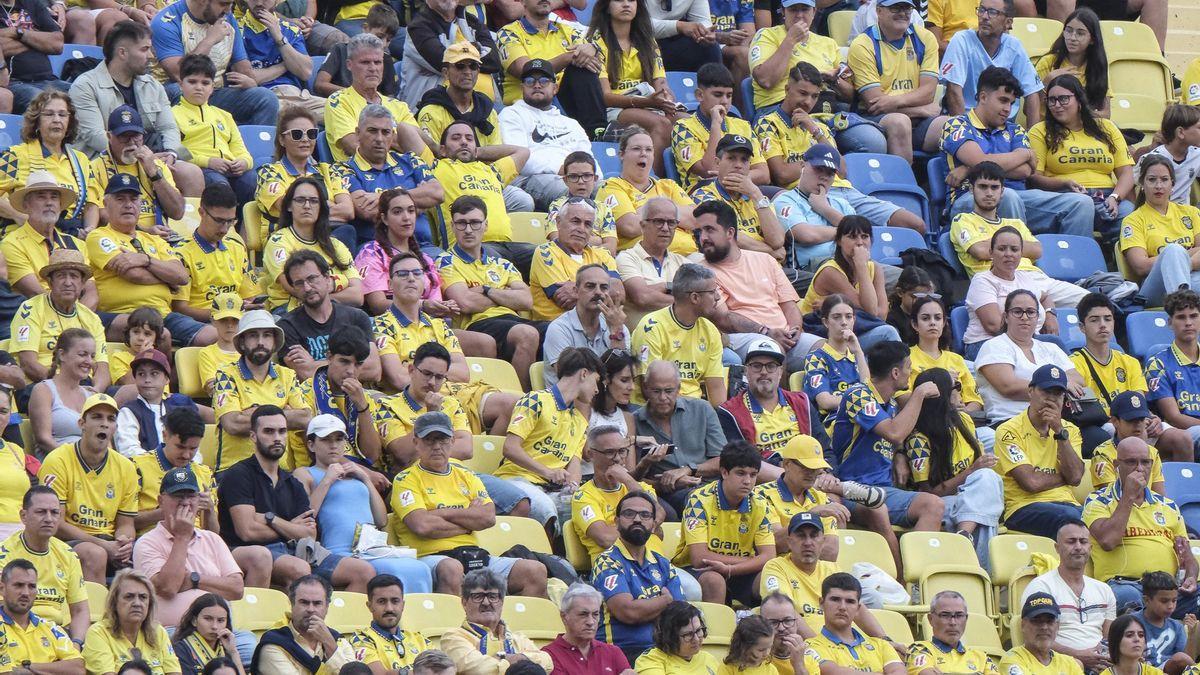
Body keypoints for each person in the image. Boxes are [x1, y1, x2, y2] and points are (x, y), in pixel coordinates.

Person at [218, 405, 377, 592]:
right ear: (253, 436)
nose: (277, 437)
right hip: (249, 550)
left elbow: (309, 533)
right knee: (298, 568)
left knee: (363, 572)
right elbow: (248, 531)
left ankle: (334, 621)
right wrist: (291, 527)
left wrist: (272, 519)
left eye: (282, 431)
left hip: (296, 549)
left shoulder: (291, 481)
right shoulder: (239, 474)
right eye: (269, 431)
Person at [389, 411, 549, 596]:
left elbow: (488, 518)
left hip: (473, 554)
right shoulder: (406, 479)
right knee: (452, 569)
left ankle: (510, 624)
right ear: (416, 442)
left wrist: (441, 513)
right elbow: (422, 525)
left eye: (443, 440)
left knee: (535, 571)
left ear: (453, 441)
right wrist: (468, 523)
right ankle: (454, 625)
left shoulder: (466, 476)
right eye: (429, 440)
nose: (437, 446)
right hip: (432, 557)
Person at [758, 67, 927, 234]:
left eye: (814, 96)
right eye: (803, 93)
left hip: (847, 192)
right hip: (813, 196)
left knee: (915, 224)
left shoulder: (818, 128)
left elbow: (842, 171)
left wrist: (815, 131)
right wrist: (819, 163)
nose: (808, 102)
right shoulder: (768, 124)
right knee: (859, 236)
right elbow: (781, 174)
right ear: (787, 89)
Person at [373, 251, 519, 439]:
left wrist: (426, 373)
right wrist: (440, 374)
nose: (411, 278)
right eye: (402, 274)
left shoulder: (439, 325)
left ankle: (482, 459)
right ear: (390, 284)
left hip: (458, 395)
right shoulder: (381, 325)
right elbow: (399, 378)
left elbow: (463, 372)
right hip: (413, 402)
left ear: (425, 282)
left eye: (417, 273)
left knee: (514, 405)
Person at [941, 67, 1093, 234]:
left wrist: (970, 169)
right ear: (983, 97)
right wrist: (1024, 154)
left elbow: (1025, 171)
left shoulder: (1016, 130)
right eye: (1003, 100)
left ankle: (1069, 258)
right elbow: (979, 160)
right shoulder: (957, 124)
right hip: (969, 199)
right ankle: (1018, 257)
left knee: (1081, 203)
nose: (1008, 109)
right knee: (1008, 196)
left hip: (1021, 199)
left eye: (1012, 103)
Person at [293, 414, 433, 592]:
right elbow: (305, 516)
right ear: (311, 445)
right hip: (337, 550)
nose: (334, 445)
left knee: (420, 569)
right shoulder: (305, 473)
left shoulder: (356, 476)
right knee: (396, 570)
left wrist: (365, 479)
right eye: (326, 440)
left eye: (338, 439)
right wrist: (327, 480)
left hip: (371, 548)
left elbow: (381, 520)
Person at [71, 21, 202, 196]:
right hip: (103, 161)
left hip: (148, 158)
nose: (151, 55)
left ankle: (187, 224)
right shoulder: (85, 86)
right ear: (123, 53)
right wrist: (139, 156)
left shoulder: (153, 85)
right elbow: (94, 135)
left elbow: (169, 127)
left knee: (191, 174)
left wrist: (171, 153)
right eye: (144, 49)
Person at [829, 341, 947, 534]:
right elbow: (894, 433)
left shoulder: (890, 401)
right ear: (895, 373)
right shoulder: (857, 396)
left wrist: (900, 453)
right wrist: (919, 393)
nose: (912, 371)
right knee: (879, 509)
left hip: (884, 489)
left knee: (934, 505)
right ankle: (898, 565)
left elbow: (899, 434)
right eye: (909, 367)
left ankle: (918, 563)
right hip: (852, 489)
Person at [437, 195, 545, 391]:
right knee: (527, 333)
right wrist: (505, 296)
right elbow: (466, 303)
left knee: (557, 330)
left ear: (486, 225)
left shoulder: (502, 263)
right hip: (477, 323)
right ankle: (523, 400)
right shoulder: (446, 262)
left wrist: (487, 290)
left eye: (475, 223)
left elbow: (526, 300)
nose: (468, 230)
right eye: (461, 223)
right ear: (452, 226)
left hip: (513, 321)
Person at [1084, 437, 1198, 617]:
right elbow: (1108, 541)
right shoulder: (1098, 501)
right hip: (1126, 586)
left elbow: (1187, 555)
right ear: (1116, 465)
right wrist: (1128, 496)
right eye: (1131, 462)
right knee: (1129, 600)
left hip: (1168, 590)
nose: (1139, 468)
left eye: (1145, 462)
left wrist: (1190, 576)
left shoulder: (1168, 505)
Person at [132, 465, 247, 639]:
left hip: (221, 632)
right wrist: (182, 537)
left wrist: (194, 579)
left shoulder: (212, 539)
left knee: (253, 646)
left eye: (191, 496)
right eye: (178, 496)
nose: (185, 502)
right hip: (173, 632)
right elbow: (168, 588)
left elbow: (237, 589)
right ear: (161, 501)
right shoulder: (146, 543)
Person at [904, 367, 1003, 560]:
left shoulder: (964, 419)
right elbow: (928, 495)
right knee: (984, 512)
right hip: (944, 502)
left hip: (971, 498)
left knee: (987, 482)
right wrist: (970, 471)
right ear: (943, 395)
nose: (961, 391)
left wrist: (977, 471)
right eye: (956, 386)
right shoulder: (918, 439)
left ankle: (964, 536)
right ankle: (979, 571)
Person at [497, 347, 602, 527]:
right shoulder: (535, 400)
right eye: (597, 381)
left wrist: (573, 486)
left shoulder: (580, 421)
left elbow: (574, 462)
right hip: (517, 480)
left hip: (553, 488)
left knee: (587, 511)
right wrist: (548, 472)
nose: (597, 390)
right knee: (546, 508)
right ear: (584, 374)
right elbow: (510, 448)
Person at [37, 393, 137, 581]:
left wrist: (124, 542)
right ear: (81, 423)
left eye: (111, 419)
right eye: (97, 417)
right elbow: (55, 524)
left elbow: (126, 523)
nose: (104, 423)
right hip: (65, 541)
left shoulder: (126, 467)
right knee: (95, 554)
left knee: (149, 550)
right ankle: (96, 611)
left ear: (115, 427)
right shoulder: (57, 460)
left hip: (108, 540)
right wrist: (102, 545)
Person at [88, 175, 197, 346]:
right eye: (120, 199)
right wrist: (167, 281)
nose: (128, 205)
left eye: (133, 199)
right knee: (159, 334)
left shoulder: (154, 239)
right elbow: (134, 274)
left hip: (162, 313)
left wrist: (145, 260)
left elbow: (182, 277)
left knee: (211, 336)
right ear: (106, 204)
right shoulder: (98, 236)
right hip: (123, 313)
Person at [1028, 74, 1134, 240]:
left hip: (1106, 197)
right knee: (1081, 206)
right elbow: (1035, 178)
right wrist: (1063, 183)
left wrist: (1115, 198)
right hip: (1066, 196)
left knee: (1128, 213)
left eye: (1063, 99)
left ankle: (1131, 264)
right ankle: (1079, 262)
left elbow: (1126, 173)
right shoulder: (1040, 131)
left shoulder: (1106, 128)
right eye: (1051, 100)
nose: (1057, 105)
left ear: (1079, 100)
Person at [759, 512, 890, 638]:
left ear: (823, 541)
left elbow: (858, 610)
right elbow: (784, 611)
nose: (808, 542)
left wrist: (886, 641)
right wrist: (818, 648)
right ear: (789, 542)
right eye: (801, 536)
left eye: (814, 536)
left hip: (839, 645)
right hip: (802, 647)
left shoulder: (832, 569)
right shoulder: (776, 567)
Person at [591, 490, 686, 664]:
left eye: (645, 515)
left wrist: (646, 607)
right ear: (617, 522)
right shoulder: (607, 561)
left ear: (653, 524)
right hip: (620, 656)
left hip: (663, 653)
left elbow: (679, 615)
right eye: (629, 514)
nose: (637, 519)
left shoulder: (663, 564)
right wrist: (664, 601)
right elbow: (628, 612)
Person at [150, 0, 280, 126]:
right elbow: (179, 75)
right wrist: (209, 40)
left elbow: (244, 69)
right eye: (223, 4)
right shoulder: (167, 21)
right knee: (179, 90)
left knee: (266, 98)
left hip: (215, 91)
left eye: (231, 4)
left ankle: (252, 146)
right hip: (177, 93)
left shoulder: (227, 18)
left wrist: (251, 83)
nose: (229, 10)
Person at [993, 364, 1087, 538]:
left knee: (1100, 518)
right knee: (1072, 519)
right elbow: (1031, 483)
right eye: (1046, 391)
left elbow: (1075, 477)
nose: (1051, 399)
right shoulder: (1009, 430)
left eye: (1058, 393)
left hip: (1068, 504)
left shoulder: (1069, 430)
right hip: (1023, 507)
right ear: (1030, 391)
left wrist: (1059, 432)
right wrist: (1064, 477)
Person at [846, 0, 946, 163]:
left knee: (952, 126)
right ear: (879, 11)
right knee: (899, 122)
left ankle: (959, 186)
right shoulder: (863, 45)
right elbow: (875, 105)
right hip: (874, 120)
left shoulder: (925, 38)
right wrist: (921, 110)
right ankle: (905, 186)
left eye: (907, 8)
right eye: (895, 8)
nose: (903, 13)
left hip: (916, 120)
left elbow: (928, 93)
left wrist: (894, 102)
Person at [678, 440, 775, 605]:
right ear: (724, 472)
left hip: (739, 571)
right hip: (698, 570)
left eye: (753, 475)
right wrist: (750, 561)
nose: (747, 481)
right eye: (740, 473)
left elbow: (769, 556)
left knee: (772, 580)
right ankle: (716, 630)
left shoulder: (760, 504)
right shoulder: (699, 500)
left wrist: (731, 569)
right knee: (714, 580)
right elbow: (699, 558)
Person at [211, 311, 310, 473]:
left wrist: (251, 413)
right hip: (235, 470)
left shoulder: (287, 375)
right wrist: (283, 413)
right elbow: (233, 424)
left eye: (267, 335)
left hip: (279, 470)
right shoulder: (226, 375)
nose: (260, 342)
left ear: (274, 341)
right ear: (242, 342)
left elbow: (305, 418)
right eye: (253, 335)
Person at [585, 0, 683, 162]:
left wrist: (665, 98)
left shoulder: (648, 41)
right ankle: (652, 178)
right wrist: (646, 101)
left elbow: (661, 82)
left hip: (647, 101)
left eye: (631, 0)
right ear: (606, 7)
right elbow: (606, 97)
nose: (626, 4)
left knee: (686, 122)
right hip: (615, 108)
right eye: (619, 0)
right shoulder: (595, 43)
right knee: (662, 124)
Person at [431, 120, 535, 268]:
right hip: (472, 247)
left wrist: (475, 151)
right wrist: (439, 150)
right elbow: (406, 130)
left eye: (469, 138)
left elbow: (523, 152)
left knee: (545, 257)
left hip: (508, 245)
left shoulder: (492, 171)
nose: (463, 141)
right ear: (443, 149)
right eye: (456, 138)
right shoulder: (436, 168)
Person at [340, 105, 443, 252]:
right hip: (379, 250)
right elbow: (367, 210)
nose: (379, 139)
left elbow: (437, 193)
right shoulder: (343, 169)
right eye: (372, 131)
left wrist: (381, 197)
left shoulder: (411, 159)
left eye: (386, 132)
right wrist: (416, 204)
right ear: (357, 133)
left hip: (424, 248)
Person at [495, 0, 606, 136]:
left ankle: (598, 133)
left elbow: (593, 62)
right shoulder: (508, 33)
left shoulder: (569, 31)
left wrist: (591, 49)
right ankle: (595, 132)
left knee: (583, 69)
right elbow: (525, 70)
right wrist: (568, 57)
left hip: (567, 102)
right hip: (531, 103)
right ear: (522, 2)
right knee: (576, 67)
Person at [497, 55, 595, 210]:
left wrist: (590, 176)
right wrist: (563, 169)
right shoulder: (511, 115)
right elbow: (519, 161)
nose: (537, 85)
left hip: (573, 176)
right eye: (530, 81)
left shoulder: (571, 123)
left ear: (555, 88)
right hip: (531, 178)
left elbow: (588, 158)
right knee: (570, 191)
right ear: (522, 87)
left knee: (606, 190)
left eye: (544, 81)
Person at [798, 216, 903, 355]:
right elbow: (872, 311)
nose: (860, 243)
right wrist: (861, 266)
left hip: (853, 332)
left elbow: (881, 316)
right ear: (839, 241)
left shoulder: (875, 268)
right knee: (887, 333)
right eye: (852, 237)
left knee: (883, 338)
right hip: (822, 335)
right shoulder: (830, 271)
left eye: (865, 236)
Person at [633, 360, 727, 515]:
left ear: (679, 388)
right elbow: (633, 477)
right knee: (697, 502)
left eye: (669, 391)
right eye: (656, 391)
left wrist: (689, 469)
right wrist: (667, 483)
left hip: (710, 484)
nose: (663, 397)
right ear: (645, 389)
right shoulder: (635, 421)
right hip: (669, 493)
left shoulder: (701, 409)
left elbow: (724, 460)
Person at [1021, 520, 1116, 672]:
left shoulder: (1104, 589)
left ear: (1090, 548)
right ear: (1057, 548)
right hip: (1056, 666)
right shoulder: (1041, 587)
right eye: (1071, 541)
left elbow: (1109, 638)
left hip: (1101, 666)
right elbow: (1034, 636)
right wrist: (1078, 656)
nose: (1078, 547)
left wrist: (1102, 657)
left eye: (1083, 542)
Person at [975, 289, 1083, 421]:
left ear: (1037, 318)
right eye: (1017, 311)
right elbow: (1009, 387)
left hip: (1056, 420)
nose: (1024, 317)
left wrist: (1056, 385)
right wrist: (1060, 386)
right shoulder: (994, 346)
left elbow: (1077, 380)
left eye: (1031, 312)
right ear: (1006, 317)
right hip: (1011, 422)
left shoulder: (1051, 348)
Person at [0, 91, 100, 235]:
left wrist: (90, 229)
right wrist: (20, 216)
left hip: (71, 238)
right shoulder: (15, 156)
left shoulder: (81, 160)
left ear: (69, 121)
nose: (56, 120)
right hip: (24, 236)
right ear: (36, 121)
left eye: (62, 114)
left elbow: (91, 204)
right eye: (49, 114)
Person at [0, 486, 89, 643]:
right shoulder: (4, 554)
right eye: (41, 512)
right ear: (23, 516)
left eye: (54, 513)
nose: (49, 518)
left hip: (57, 634)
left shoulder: (68, 554)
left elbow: (80, 610)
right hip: (16, 632)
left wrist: (76, 643)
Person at [10, 248, 108, 389]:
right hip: (41, 385)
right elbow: (28, 364)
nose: (68, 282)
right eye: (61, 276)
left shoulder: (91, 318)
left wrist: (95, 392)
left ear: (82, 283)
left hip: (84, 387)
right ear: (50, 282)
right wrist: (67, 388)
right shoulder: (30, 309)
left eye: (74, 276)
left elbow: (102, 369)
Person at [264, 179, 364, 314]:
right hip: (290, 311)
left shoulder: (336, 245)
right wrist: (338, 281)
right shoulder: (279, 242)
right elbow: (295, 288)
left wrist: (324, 299)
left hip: (334, 311)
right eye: (300, 200)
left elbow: (357, 296)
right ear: (289, 206)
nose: (307, 205)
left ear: (321, 207)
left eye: (313, 201)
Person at [632, 262, 726, 404]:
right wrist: (696, 410)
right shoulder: (651, 327)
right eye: (712, 292)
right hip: (654, 410)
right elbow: (649, 389)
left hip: (695, 409)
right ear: (695, 298)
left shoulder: (710, 330)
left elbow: (716, 386)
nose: (718, 297)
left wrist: (718, 420)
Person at [323, 33, 425, 164]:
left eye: (377, 62)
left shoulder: (399, 106)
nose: (372, 68)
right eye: (365, 62)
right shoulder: (338, 102)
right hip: (361, 178)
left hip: (407, 174)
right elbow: (356, 148)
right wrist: (397, 139)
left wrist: (374, 138)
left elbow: (419, 149)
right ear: (349, 65)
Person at [169, 54, 256, 205]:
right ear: (181, 84)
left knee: (252, 181)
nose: (198, 87)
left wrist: (243, 162)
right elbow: (177, 150)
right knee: (220, 186)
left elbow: (240, 148)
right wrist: (208, 162)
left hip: (231, 167)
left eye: (205, 83)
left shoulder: (224, 115)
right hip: (202, 169)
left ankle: (243, 226)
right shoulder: (172, 114)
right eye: (192, 81)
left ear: (212, 87)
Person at [278, 252, 378, 382]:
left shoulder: (356, 317)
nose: (307, 288)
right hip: (311, 399)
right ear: (293, 288)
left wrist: (314, 364)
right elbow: (305, 375)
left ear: (327, 277)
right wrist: (351, 364)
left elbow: (374, 370)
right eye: (299, 283)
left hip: (357, 394)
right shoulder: (286, 326)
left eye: (312, 278)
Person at [598, 126, 698, 255]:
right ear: (621, 154)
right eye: (636, 149)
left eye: (649, 149)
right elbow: (631, 227)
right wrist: (675, 214)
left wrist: (649, 212)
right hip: (643, 259)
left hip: (689, 255)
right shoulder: (612, 187)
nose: (643, 153)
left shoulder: (668, 185)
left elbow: (696, 219)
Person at [939, 0, 1043, 123]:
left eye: (993, 12)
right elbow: (954, 91)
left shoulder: (1014, 46)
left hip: (1003, 124)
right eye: (982, 10)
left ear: (1008, 22)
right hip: (967, 120)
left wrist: (1032, 137)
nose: (984, 16)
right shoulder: (961, 40)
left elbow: (1032, 93)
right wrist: (966, 132)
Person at [1, 172, 96, 305]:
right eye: (41, 197)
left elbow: (91, 293)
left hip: (79, 316)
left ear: (60, 205)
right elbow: (35, 293)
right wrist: (70, 319)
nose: (49, 203)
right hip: (37, 320)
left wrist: (81, 318)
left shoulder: (76, 243)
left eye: (54, 197)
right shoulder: (11, 244)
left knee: (127, 321)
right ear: (26, 206)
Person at [255, 106, 355, 231]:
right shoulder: (269, 173)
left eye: (311, 133)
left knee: (348, 231)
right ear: (282, 140)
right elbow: (290, 210)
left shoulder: (329, 171)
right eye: (297, 134)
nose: (305, 139)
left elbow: (348, 211)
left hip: (328, 235)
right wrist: (328, 205)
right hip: (288, 241)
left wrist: (307, 208)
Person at [672, 64, 768, 193]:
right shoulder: (683, 128)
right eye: (718, 95)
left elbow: (764, 174)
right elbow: (709, 170)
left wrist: (737, 179)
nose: (724, 101)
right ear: (699, 95)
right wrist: (716, 124)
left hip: (741, 191)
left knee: (780, 196)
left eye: (729, 95)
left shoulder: (743, 126)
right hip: (704, 193)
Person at [90, 104, 187, 232]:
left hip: (161, 239)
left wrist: (153, 173)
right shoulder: (95, 167)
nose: (131, 142)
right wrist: (145, 231)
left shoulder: (155, 164)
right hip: (118, 238)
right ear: (109, 136)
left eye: (136, 136)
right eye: (124, 136)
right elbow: (102, 215)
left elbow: (178, 212)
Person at [1121, 156, 1200, 307]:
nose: (1158, 185)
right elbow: (1141, 266)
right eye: (1151, 180)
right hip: (1154, 289)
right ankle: (1182, 308)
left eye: (1164, 179)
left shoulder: (1191, 212)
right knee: (1173, 250)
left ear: (1172, 184)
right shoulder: (1133, 220)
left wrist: (1179, 263)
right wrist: (1174, 258)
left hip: (1193, 277)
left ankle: (1183, 303)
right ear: (1142, 184)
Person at [355, 187, 447, 315]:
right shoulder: (371, 253)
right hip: (390, 327)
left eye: (411, 211)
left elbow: (436, 307)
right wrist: (422, 305)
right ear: (384, 219)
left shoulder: (425, 259)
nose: (406, 217)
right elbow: (377, 305)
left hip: (427, 326)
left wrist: (444, 307)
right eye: (397, 212)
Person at [571, 426, 660, 559]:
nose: (617, 458)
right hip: (615, 568)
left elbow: (659, 514)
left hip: (658, 567)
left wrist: (627, 480)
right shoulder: (583, 496)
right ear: (591, 454)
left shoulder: (640, 487)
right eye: (609, 452)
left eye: (622, 451)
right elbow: (605, 538)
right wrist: (648, 528)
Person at [440, 569, 555, 672]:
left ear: (502, 602)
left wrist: (511, 658)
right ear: (464, 603)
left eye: (492, 596)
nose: (486, 603)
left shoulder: (517, 638)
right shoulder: (453, 637)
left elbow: (548, 661)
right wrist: (520, 662)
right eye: (478, 596)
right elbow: (480, 670)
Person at [693, 135, 785, 260]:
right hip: (731, 266)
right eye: (731, 158)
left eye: (744, 160)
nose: (738, 165)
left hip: (769, 266)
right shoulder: (704, 196)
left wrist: (756, 195)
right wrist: (770, 252)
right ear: (717, 163)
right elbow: (726, 236)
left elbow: (778, 241)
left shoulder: (757, 196)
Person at [129, 408, 218, 537]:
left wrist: (209, 510)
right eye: (180, 447)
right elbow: (124, 522)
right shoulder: (136, 467)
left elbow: (214, 535)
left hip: (197, 544)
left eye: (193, 448)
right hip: (153, 542)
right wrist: (166, 511)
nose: (187, 455)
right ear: (165, 435)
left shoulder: (206, 473)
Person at [530, 200, 623, 323]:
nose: (581, 229)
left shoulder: (602, 254)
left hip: (599, 326)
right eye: (575, 221)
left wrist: (577, 288)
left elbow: (617, 294)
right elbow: (566, 301)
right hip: (557, 326)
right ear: (558, 223)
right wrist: (604, 289)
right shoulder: (545, 252)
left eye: (588, 224)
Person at [398, 0, 500, 111]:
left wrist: (459, 55)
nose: (467, 69)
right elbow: (445, 63)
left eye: (473, 66)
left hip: (485, 108)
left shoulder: (472, 21)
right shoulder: (419, 27)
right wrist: (476, 50)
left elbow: (494, 61)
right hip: (435, 110)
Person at [748, 0, 845, 116]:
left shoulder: (829, 43)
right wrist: (790, 40)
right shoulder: (767, 35)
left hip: (827, 109)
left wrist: (835, 80)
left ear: (814, 12)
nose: (799, 15)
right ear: (783, 12)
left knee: (867, 133)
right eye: (793, 9)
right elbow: (766, 80)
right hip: (780, 110)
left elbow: (851, 96)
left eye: (805, 9)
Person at [82, 569, 182, 675]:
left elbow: (174, 673)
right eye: (129, 597)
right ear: (114, 602)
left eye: (143, 597)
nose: (137, 603)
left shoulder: (158, 632)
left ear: (150, 603)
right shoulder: (99, 633)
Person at [543, 265, 628, 389]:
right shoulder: (559, 329)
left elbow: (622, 378)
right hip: (569, 404)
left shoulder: (618, 327)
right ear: (576, 291)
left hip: (606, 403)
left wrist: (616, 332)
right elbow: (574, 382)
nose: (598, 292)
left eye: (604, 287)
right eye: (590, 286)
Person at [906, 295, 987, 425]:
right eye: (925, 318)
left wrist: (963, 412)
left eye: (937, 318)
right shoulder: (906, 358)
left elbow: (975, 401)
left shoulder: (956, 359)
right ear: (915, 325)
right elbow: (903, 399)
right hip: (924, 423)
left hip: (960, 423)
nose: (932, 322)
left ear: (943, 323)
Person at [251, 575, 356, 675]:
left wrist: (329, 643)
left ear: (327, 607)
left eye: (317, 603)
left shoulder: (336, 639)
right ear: (292, 604)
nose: (311, 609)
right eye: (304, 602)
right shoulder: (273, 644)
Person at [414, 42, 500, 162]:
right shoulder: (431, 111)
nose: (467, 71)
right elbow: (431, 158)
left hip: (486, 176)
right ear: (445, 72)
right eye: (460, 66)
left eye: (473, 66)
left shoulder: (488, 111)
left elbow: (496, 156)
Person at [807, 573, 905, 675]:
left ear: (858, 608)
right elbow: (834, 672)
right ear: (821, 603)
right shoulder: (811, 646)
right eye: (835, 599)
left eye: (850, 601)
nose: (842, 607)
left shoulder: (881, 645)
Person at [240, 0, 324, 118]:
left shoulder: (290, 29)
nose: (259, 3)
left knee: (339, 112)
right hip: (263, 98)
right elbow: (248, 77)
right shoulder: (238, 31)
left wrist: (279, 37)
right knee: (291, 116)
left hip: (298, 96)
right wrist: (287, 65)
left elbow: (305, 72)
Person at [0, 558, 84, 672]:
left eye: (32, 586)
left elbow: (78, 668)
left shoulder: (51, 628)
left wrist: (28, 667)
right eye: (18, 585)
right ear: (2, 589)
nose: (26, 592)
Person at [615, 198, 692, 322]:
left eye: (671, 222)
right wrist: (681, 296)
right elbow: (643, 297)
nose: (666, 228)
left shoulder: (684, 264)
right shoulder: (627, 258)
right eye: (659, 221)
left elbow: (701, 299)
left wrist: (659, 289)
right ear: (642, 225)